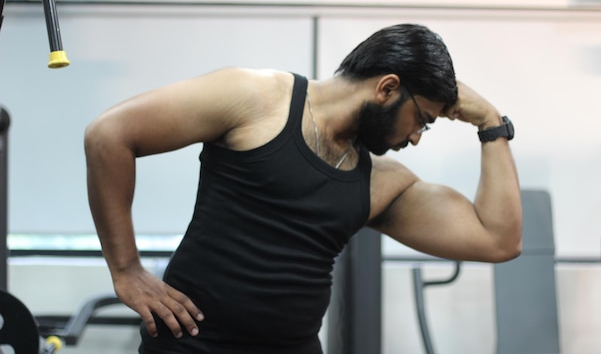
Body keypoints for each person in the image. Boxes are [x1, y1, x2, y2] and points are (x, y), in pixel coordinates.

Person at [84, 23, 522, 354]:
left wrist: (490, 122)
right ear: (388, 88)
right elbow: (109, 135)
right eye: (422, 120)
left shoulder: (380, 181)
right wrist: (127, 269)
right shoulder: (256, 97)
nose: (415, 138)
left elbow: (498, 239)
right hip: (191, 346)